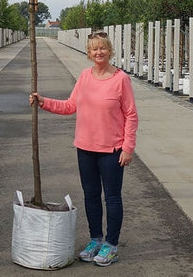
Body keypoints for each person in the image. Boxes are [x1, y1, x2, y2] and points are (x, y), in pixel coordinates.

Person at [29, 31, 138, 267]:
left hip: (112, 150)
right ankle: (95, 239)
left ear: (110, 51)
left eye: (103, 48)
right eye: (94, 49)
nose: (99, 52)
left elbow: (131, 115)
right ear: (88, 53)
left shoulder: (121, 79)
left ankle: (111, 245)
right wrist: (44, 102)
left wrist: (128, 147)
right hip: (85, 147)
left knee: (112, 198)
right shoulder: (84, 77)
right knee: (90, 196)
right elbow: (70, 106)